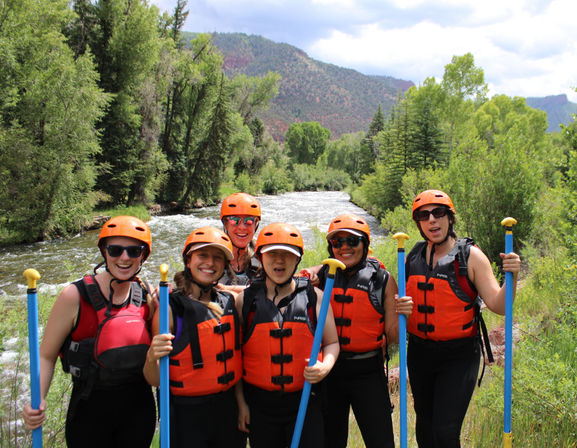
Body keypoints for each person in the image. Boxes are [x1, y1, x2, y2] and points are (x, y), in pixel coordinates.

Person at [22, 216, 157, 447]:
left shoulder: (148, 295)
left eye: (134, 251)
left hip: (139, 411)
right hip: (89, 412)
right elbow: (46, 355)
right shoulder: (74, 296)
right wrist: (38, 398)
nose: (124, 258)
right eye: (115, 250)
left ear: (143, 255)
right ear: (104, 253)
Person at [406, 189, 521, 448]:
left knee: (445, 433)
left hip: (458, 355)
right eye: (424, 216)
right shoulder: (413, 256)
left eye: (438, 213)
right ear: (419, 223)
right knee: (424, 431)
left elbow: (498, 305)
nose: (432, 220)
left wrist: (511, 278)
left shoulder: (471, 256)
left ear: (450, 218)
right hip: (420, 353)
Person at [301, 213, 413, 448]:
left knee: (380, 441)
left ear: (365, 244)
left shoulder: (382, 279)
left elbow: (393, 337)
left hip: (368, 372)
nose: (344, 247)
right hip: (330, 373)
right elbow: (286, 280)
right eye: (337, 242)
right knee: (331, 441)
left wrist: (402, 315)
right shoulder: (323, 275)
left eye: (352, 241)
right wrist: (307, 274)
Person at [235, 222, 340, 448]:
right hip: (260, 406)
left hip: (305, 401)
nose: (279, 261)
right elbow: (236, 358)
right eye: (273, 253)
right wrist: (242, 404)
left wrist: (326, 366)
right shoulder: (245, 302)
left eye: (287, 255)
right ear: (261, 257)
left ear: (298, 259)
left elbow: (332, 342)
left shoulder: (316, 298)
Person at [143, 226, 245, 448]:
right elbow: (154, 379)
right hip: (184, 413)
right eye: (203, 255)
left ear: (225, 266)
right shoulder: (169, 309)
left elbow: (235, 362)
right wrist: (152, 356)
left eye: (218, 258)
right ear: (188, 261)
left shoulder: (229, 303)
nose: (210, 262)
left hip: (227, 409)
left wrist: (242, 404)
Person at [219, 192, 262, 290]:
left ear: (256, 224)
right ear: (225, 223)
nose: (242, 227)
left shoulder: (262, 256)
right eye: (234, 220)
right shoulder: (213, 255)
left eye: (249, 220)